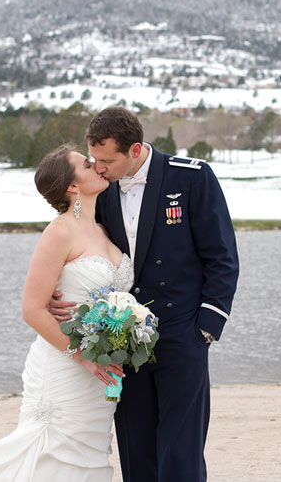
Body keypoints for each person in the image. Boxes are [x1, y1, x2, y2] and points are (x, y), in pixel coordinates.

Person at [50, 107, 240, 481]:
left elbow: (222, 256)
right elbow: (78, 244)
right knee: (136, 452)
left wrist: (206, 328)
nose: (99, 168)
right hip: (122, 340)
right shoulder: (100, 190)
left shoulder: (193, 178)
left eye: (107, 160)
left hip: (184, 333)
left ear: (135, 150)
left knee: (182, 452)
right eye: (94, 160)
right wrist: (59, 289)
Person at [0, 145, 133, 481]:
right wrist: (83, 356)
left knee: (90, 456)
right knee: (51, 455)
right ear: (72, 186)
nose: (96, 165)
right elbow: (32, 309)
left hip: (100, 374)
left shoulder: (102, 229)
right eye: (86, 163)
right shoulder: (60, 231)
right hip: (67, 366)